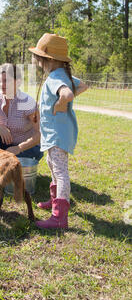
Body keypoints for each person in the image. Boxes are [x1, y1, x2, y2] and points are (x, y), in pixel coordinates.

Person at [29, 33, 88, 229]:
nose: (37, 61)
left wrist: (61, 104)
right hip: (59, 133)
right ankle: (55, 202)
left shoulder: (55, 77)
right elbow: (83, 86)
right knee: (53, 165)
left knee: (60, 172)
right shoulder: (64, 74)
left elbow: (68, 93)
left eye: (39, 58)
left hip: (56, 134)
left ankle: (59, 217)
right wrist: (57, 103)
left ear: (49, 60)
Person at [0, 63, 43, 161]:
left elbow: (39, 134)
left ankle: (1, 159)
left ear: (18, 82)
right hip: (5, 145)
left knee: (9, 161)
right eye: (0, 81)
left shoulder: (27, 102)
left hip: (27, 148)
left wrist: (18, 148)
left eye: (6, 81)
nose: (2, 85)